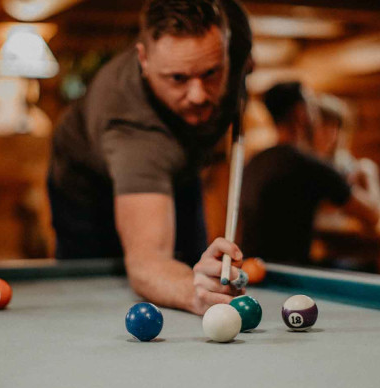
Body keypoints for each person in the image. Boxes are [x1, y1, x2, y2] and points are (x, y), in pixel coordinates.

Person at [46, 0, 253, 315]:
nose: (198, 95)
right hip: (87, 189)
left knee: (197, 263)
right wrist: (191, 292)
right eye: (178, 79)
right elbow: (149, 262)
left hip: (180, 168)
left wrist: (200, 279)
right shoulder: (130, 125)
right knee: (91, 294)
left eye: (211, 72)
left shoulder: (234, 37)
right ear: (143, 59)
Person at [239, 82, 380, 264]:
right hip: (292, 274)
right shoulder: (308, 165)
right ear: (300, 112)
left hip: (254, 269)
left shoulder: (255, 161)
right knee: (366, 265)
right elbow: (373, 215)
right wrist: (369, 171)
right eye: (312, 106)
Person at [312, 93, 380, 215]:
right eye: (325, 124)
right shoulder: (306, 162)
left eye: (336, 126)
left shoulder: (346, 164)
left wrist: (369, 177)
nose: (331, 132)